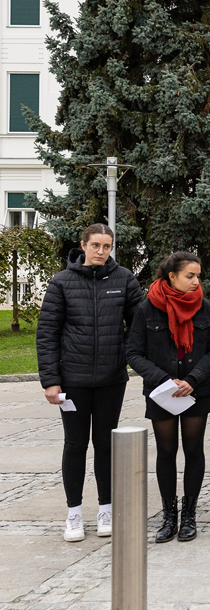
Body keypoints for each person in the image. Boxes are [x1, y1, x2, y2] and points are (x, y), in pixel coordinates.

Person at [36, 224, 143, 542]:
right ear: (83, 245)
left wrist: (123, 353)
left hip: (111, 380)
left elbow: (138, 325)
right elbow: (47, 334)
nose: (101, 251)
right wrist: (51, 380)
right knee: (75, 445)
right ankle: (74, 514)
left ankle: (106, 510)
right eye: (95, 245)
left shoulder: (124, 279)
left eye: (107, 246)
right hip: (73, 381)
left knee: (106, 445)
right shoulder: (61, 282)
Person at [127, 252, 210, 543]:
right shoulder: (147, 308)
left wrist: (193, 379)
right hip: (162, 392)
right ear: (172, 276)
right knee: (166, 452)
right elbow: (133, 353)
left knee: (194, 451)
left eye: (198, 276)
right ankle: (169, 516)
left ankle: (189, 515)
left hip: (196, 390)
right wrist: (163, 380)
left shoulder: (204, 307)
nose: (196, 282)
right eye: (190, 276)